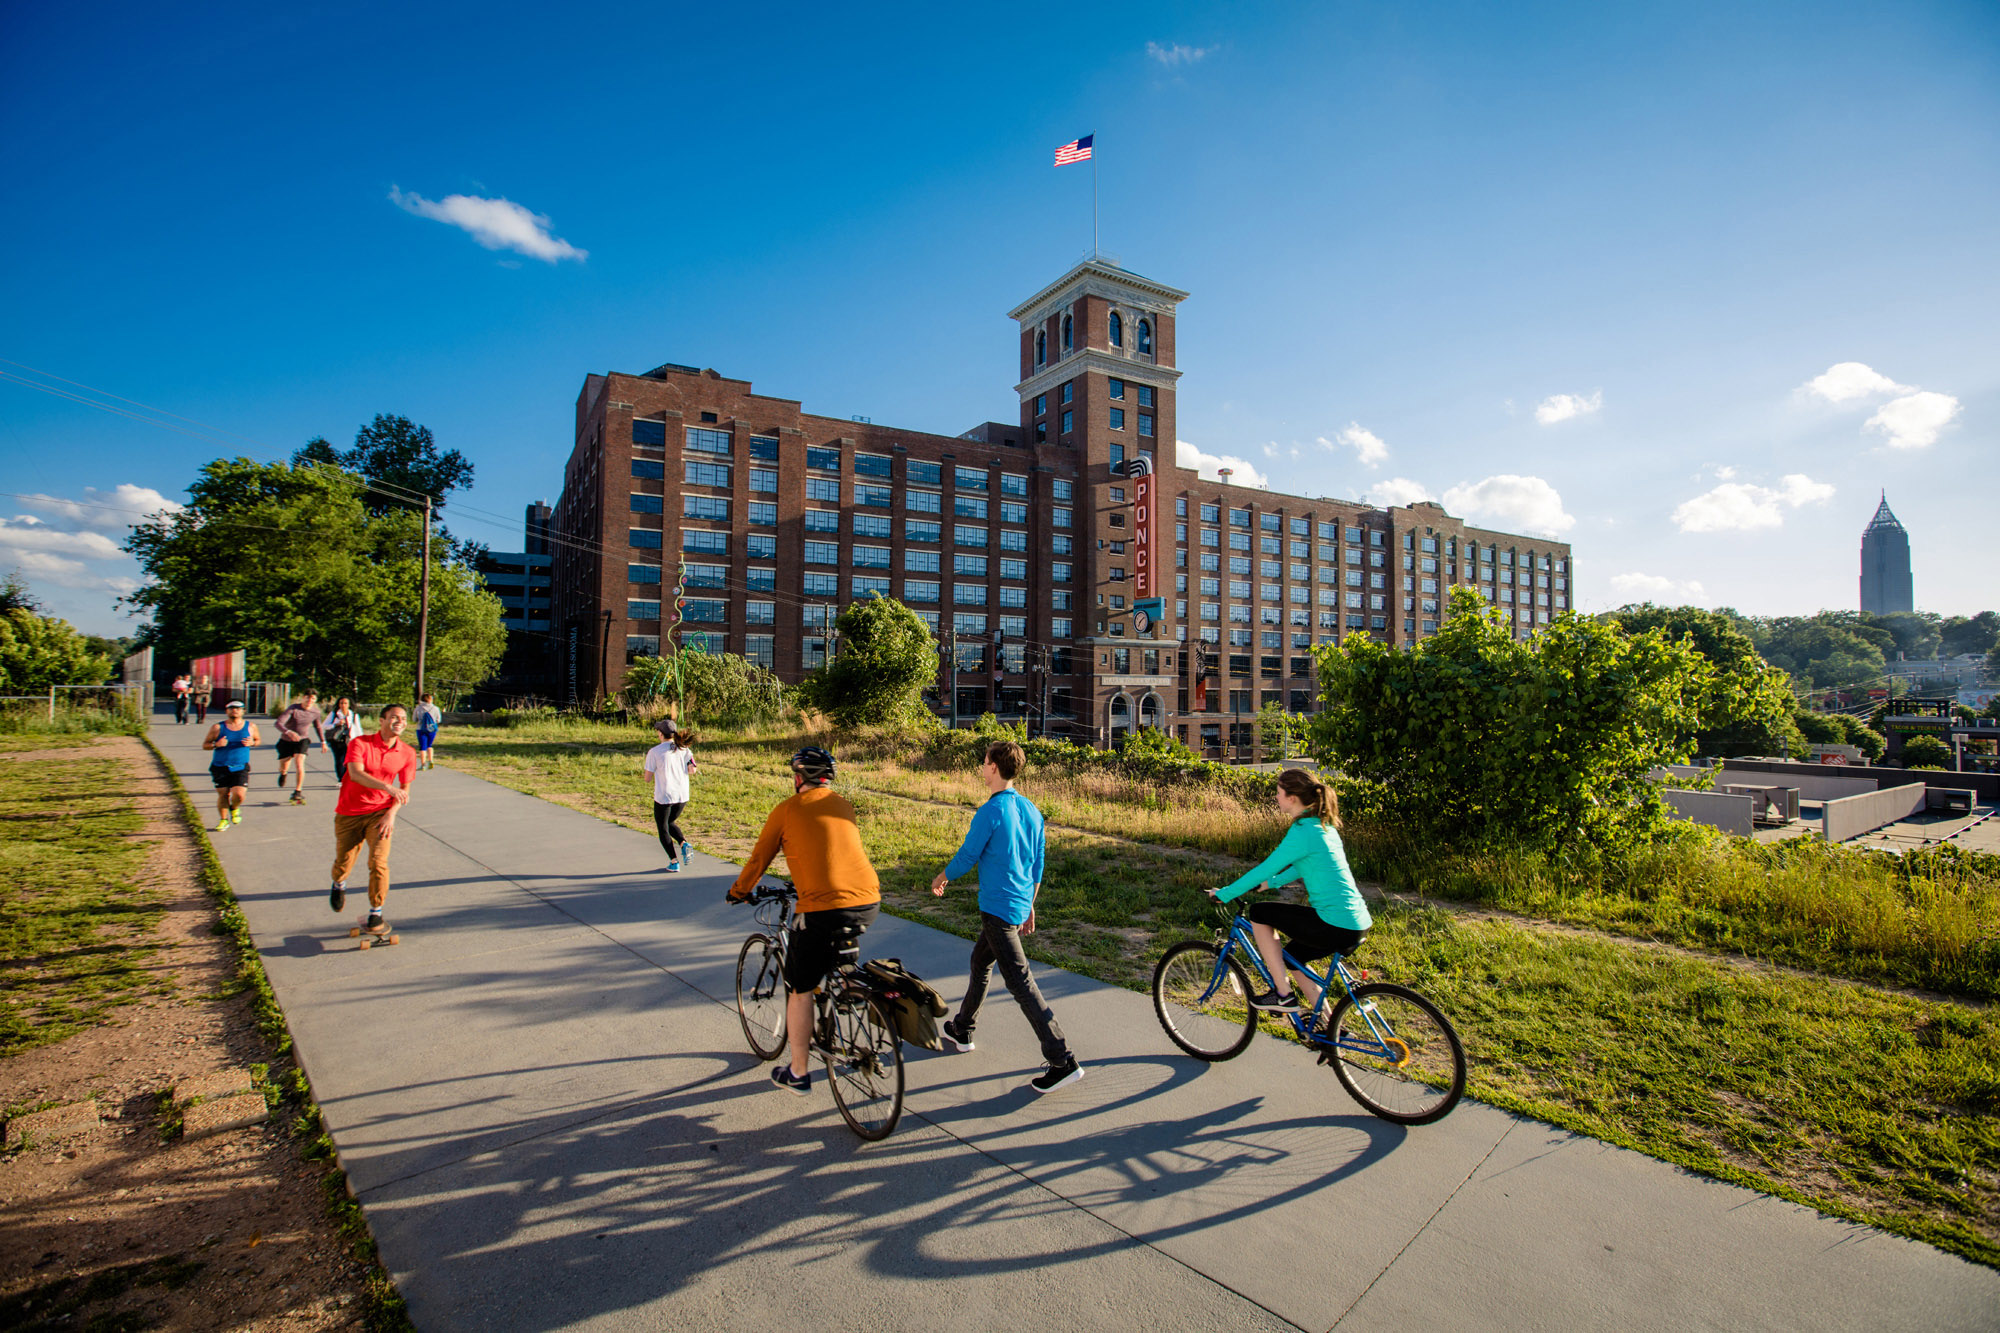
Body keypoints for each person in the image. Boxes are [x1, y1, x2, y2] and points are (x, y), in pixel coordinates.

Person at [930, 740, 1083, 1094]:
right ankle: (963, 1028)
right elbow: (1037, 862)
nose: (982, 769)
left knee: (1020, 981)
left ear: (994, 768)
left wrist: (943, 877)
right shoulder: (1030, 809)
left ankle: (1062, 1059)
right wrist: (1031, 903)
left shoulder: (991, 811)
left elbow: (969, 854)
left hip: (998, 909)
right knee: (980, 961)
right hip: (1016, 904)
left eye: (984, 763)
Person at [727, 746, 880, 1095]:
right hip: (868, 900)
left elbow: (758, 860)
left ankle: (797, 1073)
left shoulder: (786, 810)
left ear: (799, 778)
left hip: (823, 908)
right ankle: (850, 992)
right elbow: (831, 850)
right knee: (834, 955)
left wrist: (738, 891)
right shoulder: (844, 805)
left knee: (799, 988)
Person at [1206, 768, 1372, 1014]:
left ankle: (1282, 994)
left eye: (1279, 792)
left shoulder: (1303, 831)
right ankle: (1329, 1025)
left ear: (1292, 798)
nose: (1276, 797)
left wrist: (1226, 893)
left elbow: (1265, 867)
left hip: (1335, 922)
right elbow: (1302, 867)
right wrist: (1272, 883)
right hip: (1357, 921)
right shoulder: (1323, 826)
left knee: (1259, 913)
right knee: (1294, 956)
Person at [329, 702, 419, 936]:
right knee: (343, 861)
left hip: (380, 814)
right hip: (349, 812)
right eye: (394, 717)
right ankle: (339, 884)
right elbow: (355, 774)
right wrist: (388, 788)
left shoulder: (408, 752)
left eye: (403, 718)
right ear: (381, 720)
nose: (400, 722)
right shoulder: (360, 744)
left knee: (378, 862)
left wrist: (391, 814)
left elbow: (405, 789)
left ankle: (376, 912)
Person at [642, 718, 699, 874]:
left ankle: (674, 861)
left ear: (660, 734)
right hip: (682, 795)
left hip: (664, 796)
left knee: (663, 828)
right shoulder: (684, 750)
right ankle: (683, 843)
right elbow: (692, 770)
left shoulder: (654, 752)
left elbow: (647, 778)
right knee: (670, 821)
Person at [200, 701, 260, 831]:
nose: (235, 711)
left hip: (240, 765)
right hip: (220, 766)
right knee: (223, 794)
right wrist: (216, 744)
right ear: (226, 711)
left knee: (239, 795)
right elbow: (205, 745)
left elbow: (257, 740)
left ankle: (234, 808)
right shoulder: (218, 727)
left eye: (238, 708)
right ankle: (223, 820)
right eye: (231, 708)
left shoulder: (251, 726)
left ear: (243, 711)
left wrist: (252, 743)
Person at [274, 691, 325, 805]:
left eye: (312, 699)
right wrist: (288, 732)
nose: (309, 701)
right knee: (284, 766)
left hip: (302, 740)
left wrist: (323, 741)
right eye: (307, 698)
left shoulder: (315, 712)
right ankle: (283, 774)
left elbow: (318, 727)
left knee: (299, 763)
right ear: (303, 698)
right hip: (286, 740)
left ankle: (298, 791)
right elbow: (278, 723)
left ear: (315, 700)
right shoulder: (293, 709)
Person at [324, 696, 360, 784]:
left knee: (348, 760)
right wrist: (336, 724)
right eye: (341, 703)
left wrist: (360, 741)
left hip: (349, 740)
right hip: (336, 740)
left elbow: (358, 729)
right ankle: (341, 779)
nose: (343, 705)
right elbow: (324, 726)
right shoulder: (334, 714)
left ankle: (348, 778)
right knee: (339, 759)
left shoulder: (354, 715)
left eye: (345, 703)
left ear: (349, 705)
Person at [413, 693, 442, 770]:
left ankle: (423, 765)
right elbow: (438, 720)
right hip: (432, 729)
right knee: (429, 745)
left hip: (421, 729)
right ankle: (431, 760)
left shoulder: (418, 708)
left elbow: (414, 719)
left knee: (422, 747)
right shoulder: (435, 708)